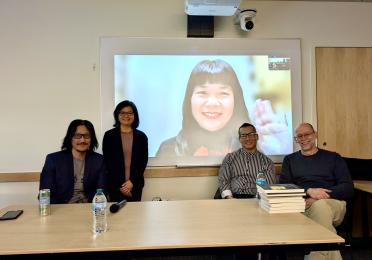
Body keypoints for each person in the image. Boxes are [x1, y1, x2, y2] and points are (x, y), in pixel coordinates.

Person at [156, 59, 290, 161]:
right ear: (189, 100)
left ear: (236, 101)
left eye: (223, 93)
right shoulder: (169, 149)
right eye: (202, 93)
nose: (212, 103)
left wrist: (278, 152)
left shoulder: (259, 146)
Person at [280, 123, 354, 260]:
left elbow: (348, 187)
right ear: (296, 140)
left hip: (333, 204)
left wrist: (320, 197)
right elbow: (284, 187)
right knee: (324, 226)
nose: (303, 138)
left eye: (307, 134)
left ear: (315, 134)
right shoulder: (289, 160)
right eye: (299, 136)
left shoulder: (333, 157)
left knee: (320, 207)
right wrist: (308, 191)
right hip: (301, 207)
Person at [39, 119, 107, 204]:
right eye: (77, 136)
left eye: (87, 136)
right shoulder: (53, 160)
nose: (82, 140)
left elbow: (102, 191)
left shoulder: (99, 160)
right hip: (62, 208)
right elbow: (45, 194)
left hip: (89, 208)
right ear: (70, 138)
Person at [103, 100, 148, 202]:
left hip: (135, 185)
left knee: (134, 216)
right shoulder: (109, 136)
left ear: (134, 115)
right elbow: (108, 162)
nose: (126, 116)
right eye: (122, 112)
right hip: (115, 186)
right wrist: (123, 187)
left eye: (129, 113)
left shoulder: (141, 137)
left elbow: (142, 162)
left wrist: (131, 182)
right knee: (116, 216)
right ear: (117, 115)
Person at [218, 123, 276, 199]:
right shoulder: (229, 158)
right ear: (240, 139)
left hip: (255, 199)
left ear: (257, 137)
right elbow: (223, 180)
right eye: (243, 136)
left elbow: (267, 186)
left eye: (251, 135)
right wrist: (229, 198)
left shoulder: (267, 162)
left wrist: (257, 200)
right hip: (232, 197)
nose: (248, 138)